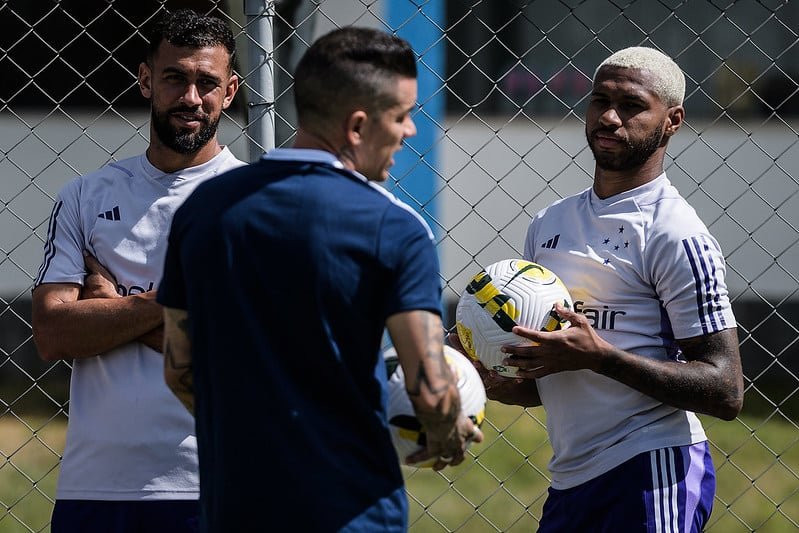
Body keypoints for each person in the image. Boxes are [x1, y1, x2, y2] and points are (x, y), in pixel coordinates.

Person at [157, 26, 482, 532]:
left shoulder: (204, 211)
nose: (410, 131)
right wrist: (445, 431)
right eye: (401, 116)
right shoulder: (394, 227)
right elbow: (431, 387)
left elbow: (181, 370)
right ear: (356, 127)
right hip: (351, 510)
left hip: (236, 508)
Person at [470, 47, 744, 532]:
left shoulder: (674, 232)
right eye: (600, 100)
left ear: (672, 120)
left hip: (651, 471)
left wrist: (600, 356)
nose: (610, 117)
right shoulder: (550, 223)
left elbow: (725, 389)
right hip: (572, 482)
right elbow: (560, 374)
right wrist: (497, 379)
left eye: (633, 106)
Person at [31, 9, 243, 532]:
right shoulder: (85, 196)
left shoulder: (254, 203)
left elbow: (237, 347)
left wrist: (107, 303)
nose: (191, 97)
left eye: (207, 82)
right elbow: (52, 331)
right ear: (146, 80)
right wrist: (163, 304)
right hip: (97, 488)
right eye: (175, 77)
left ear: (231, 91)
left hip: (215, 482)